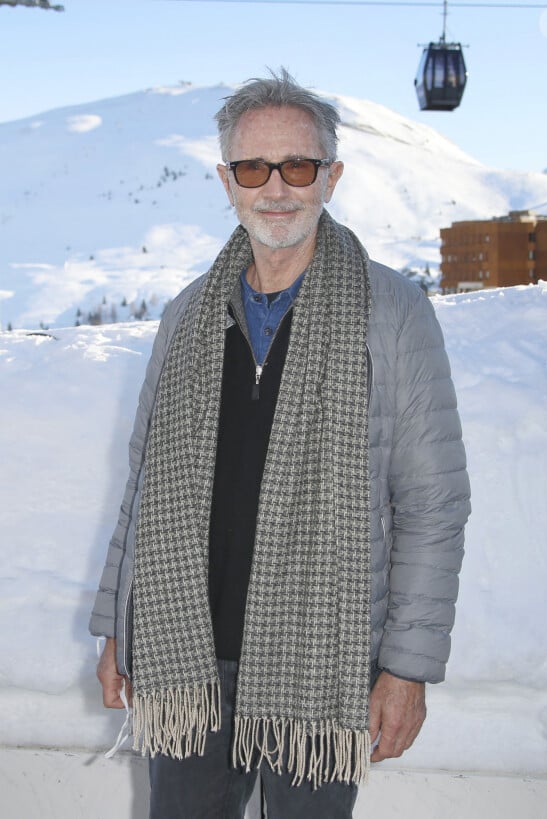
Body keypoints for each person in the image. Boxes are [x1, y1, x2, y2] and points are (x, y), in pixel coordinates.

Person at [90, 68, 470, 819]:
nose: (277, 188)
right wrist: (118, 629)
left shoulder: (391, 312)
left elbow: (433, 503)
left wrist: (406, 668)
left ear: (331, 176)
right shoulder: (186, 316)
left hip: (324, 669)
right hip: (185, 660)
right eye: (253, 168)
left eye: (297, 166)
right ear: (227, 181)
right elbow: (143, 488)